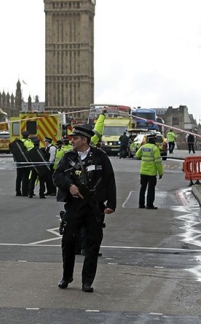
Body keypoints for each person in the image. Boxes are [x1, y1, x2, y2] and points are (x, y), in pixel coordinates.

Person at [53, 124, 116, 293]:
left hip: (94, 206)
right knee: (68, 242)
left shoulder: (100, 157)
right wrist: (70, 186)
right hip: (74, 206)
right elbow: (57, 175)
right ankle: (67, 276)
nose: (72, 140)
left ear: (84, 140)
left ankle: (87, 281)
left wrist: (111, 203)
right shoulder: (68, 157)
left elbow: (109, 179)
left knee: (92, 244)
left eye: (75, 138)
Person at [135, 134, 163, 209]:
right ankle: (149, 205)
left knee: (142, 188)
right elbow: (158, 162)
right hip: (151, 173)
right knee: (151, 189)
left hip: (143, 172)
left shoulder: (143, 147)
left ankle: (141, 204)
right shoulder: (155, 149)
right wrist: (160, 173)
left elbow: (137, 155)